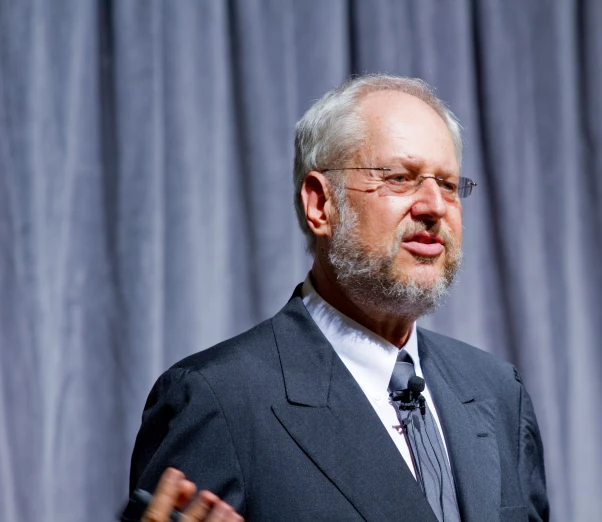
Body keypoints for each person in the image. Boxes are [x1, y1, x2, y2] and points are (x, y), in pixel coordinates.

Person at [129, 74, 549, 521]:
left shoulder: (498, 391)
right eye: (399, 178)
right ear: (319, 205)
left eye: (447, 184)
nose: (434, 206)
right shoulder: (219, 398)